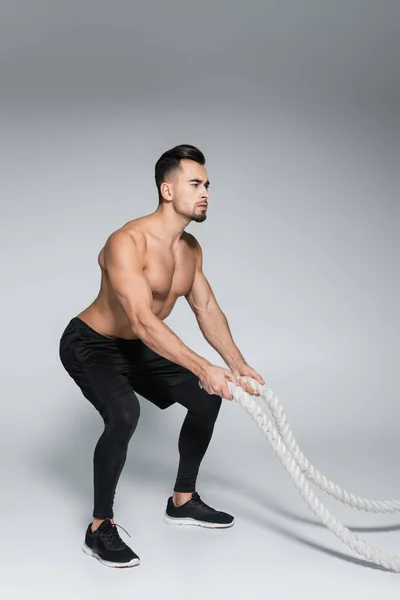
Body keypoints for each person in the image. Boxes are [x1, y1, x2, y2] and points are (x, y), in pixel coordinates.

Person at [59, 144, 264, 569]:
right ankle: (99, 528)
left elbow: (206, 309)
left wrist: (237, 363)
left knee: (207, 398)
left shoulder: (189, 250)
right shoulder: (126, 241)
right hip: (91, 343)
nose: (205, 191)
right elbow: (141, 320)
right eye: (195, 184)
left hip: (140, 346)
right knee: (124, 414)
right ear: (167, 190)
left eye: (207, 184)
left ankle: (183, 500)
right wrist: (204, 366)